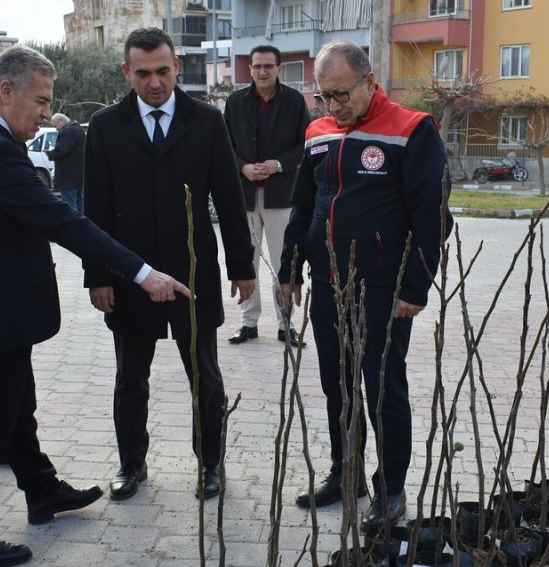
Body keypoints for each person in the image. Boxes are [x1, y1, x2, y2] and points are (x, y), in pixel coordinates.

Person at [0, 44, 189, 567]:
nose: (46, 113)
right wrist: (143, 273)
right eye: (41, 100)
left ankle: (42, 490)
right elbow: (64, 222)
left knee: (13, 411)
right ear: (6, 91)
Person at [279, 41, 452, 534]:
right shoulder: (317, 133)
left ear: (369, 80)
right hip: (327, 282)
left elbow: (434, 215)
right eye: (324, 96)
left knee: (381, 389)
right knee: (337, 387)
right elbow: (304, 206)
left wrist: (415, 287)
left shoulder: (411, 129)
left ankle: (390, 489)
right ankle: (346, 472)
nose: (333, 106)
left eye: (341, 94)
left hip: (384, 288)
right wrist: (291, 267)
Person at [83, 27, 255, 502]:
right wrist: (97, 275)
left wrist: (243, 266)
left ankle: (211, 464)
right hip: (128, 275)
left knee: (205, 376)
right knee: (130, 379)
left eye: (162, 70)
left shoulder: (206, 121)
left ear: (176, 66)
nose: (154, 82)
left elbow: (229, 196)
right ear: (127, 72)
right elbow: (94, 209)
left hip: (193, 273)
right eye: (143, 73)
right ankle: (131, 464)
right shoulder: (104, 126)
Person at [222, 44, 310, 348]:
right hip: (243, 195)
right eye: (257, 66)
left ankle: (287, 324)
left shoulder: (295, 102)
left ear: (278, 68)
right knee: (247, 263)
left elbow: (306, 143)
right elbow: (223, 147)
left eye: (268, 66)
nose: (262, 71)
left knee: (283, 262)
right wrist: (243, 167)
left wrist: (279, 164)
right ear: (250, 69)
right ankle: (248, 322)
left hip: (281, 194)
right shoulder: (234, 103)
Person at [45, 112, 85, 212]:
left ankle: (73, 226)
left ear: (60, 121)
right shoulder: (78, 128)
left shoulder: (69, 131)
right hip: (78, 174)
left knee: (70, 205)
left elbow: (62, 149)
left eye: (55, 125)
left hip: (68, 175)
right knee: (79, 202)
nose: (55, 128)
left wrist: (49, 153)